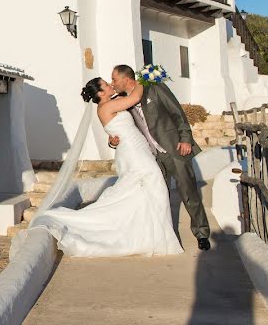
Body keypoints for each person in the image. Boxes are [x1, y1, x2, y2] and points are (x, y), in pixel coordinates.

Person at [30, 78, 183, 257]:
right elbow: (134, 98)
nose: (111, 85)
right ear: (101, 93)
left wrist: (112, 140)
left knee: (143, 190)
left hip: (135, 149)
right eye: (107, 84)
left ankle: (152, 232)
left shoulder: (110, 104)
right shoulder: (106, 106)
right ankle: (158, 235)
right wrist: (145, 76)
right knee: (155, 183)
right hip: (133, 153)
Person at [109, 65, 211, 251]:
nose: (112, 83)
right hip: (151, 157)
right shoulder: (123, 102)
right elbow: (121, 127)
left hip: (174, 149)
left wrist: (186, 139)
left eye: (114, 79)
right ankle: (165, 236)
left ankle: (202, 233)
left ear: (126, 79)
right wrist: (113, 141)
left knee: (189, 193)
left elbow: (177, 113)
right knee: (159, 197)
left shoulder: (155, 89)